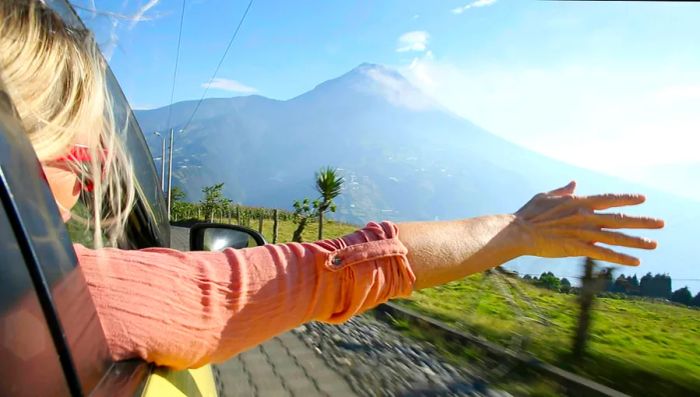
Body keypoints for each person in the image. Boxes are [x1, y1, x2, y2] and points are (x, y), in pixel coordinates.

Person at [0, 0, 664, 370]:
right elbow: (334, 269)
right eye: (80, 155)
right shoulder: (90, 296)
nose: (90, 181)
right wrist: (514, 231)